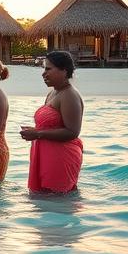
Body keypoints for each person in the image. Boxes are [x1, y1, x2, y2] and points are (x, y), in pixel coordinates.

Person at [20, 50, 84, 193]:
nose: (43, 73)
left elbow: (72, 132)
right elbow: (52, 126)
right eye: (44, 69)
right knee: (42, 203)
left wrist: (38, 134)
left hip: (60, 158)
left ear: (64, 71)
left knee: (57, 204)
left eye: (48, 69)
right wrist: (35, 131)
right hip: (45, 155)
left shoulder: (69, 95)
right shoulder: (53, 93)